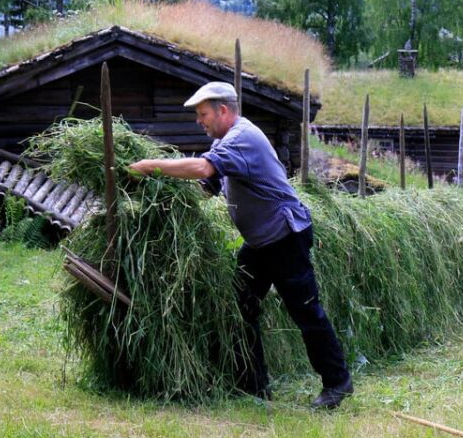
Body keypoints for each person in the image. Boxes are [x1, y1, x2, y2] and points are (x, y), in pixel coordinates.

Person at [129, 81, 353, 410]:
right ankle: (252, 385)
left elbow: (203, 168)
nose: (198, 121)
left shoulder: (241, 138)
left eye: (203, 114)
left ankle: (337, 383)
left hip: (285, 236)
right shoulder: (227, 142)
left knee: (306, 311)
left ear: (223, 110)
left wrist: (151, 166)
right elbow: (206, 186)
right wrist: (163, 202)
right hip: (260, 244)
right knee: (239, 306)